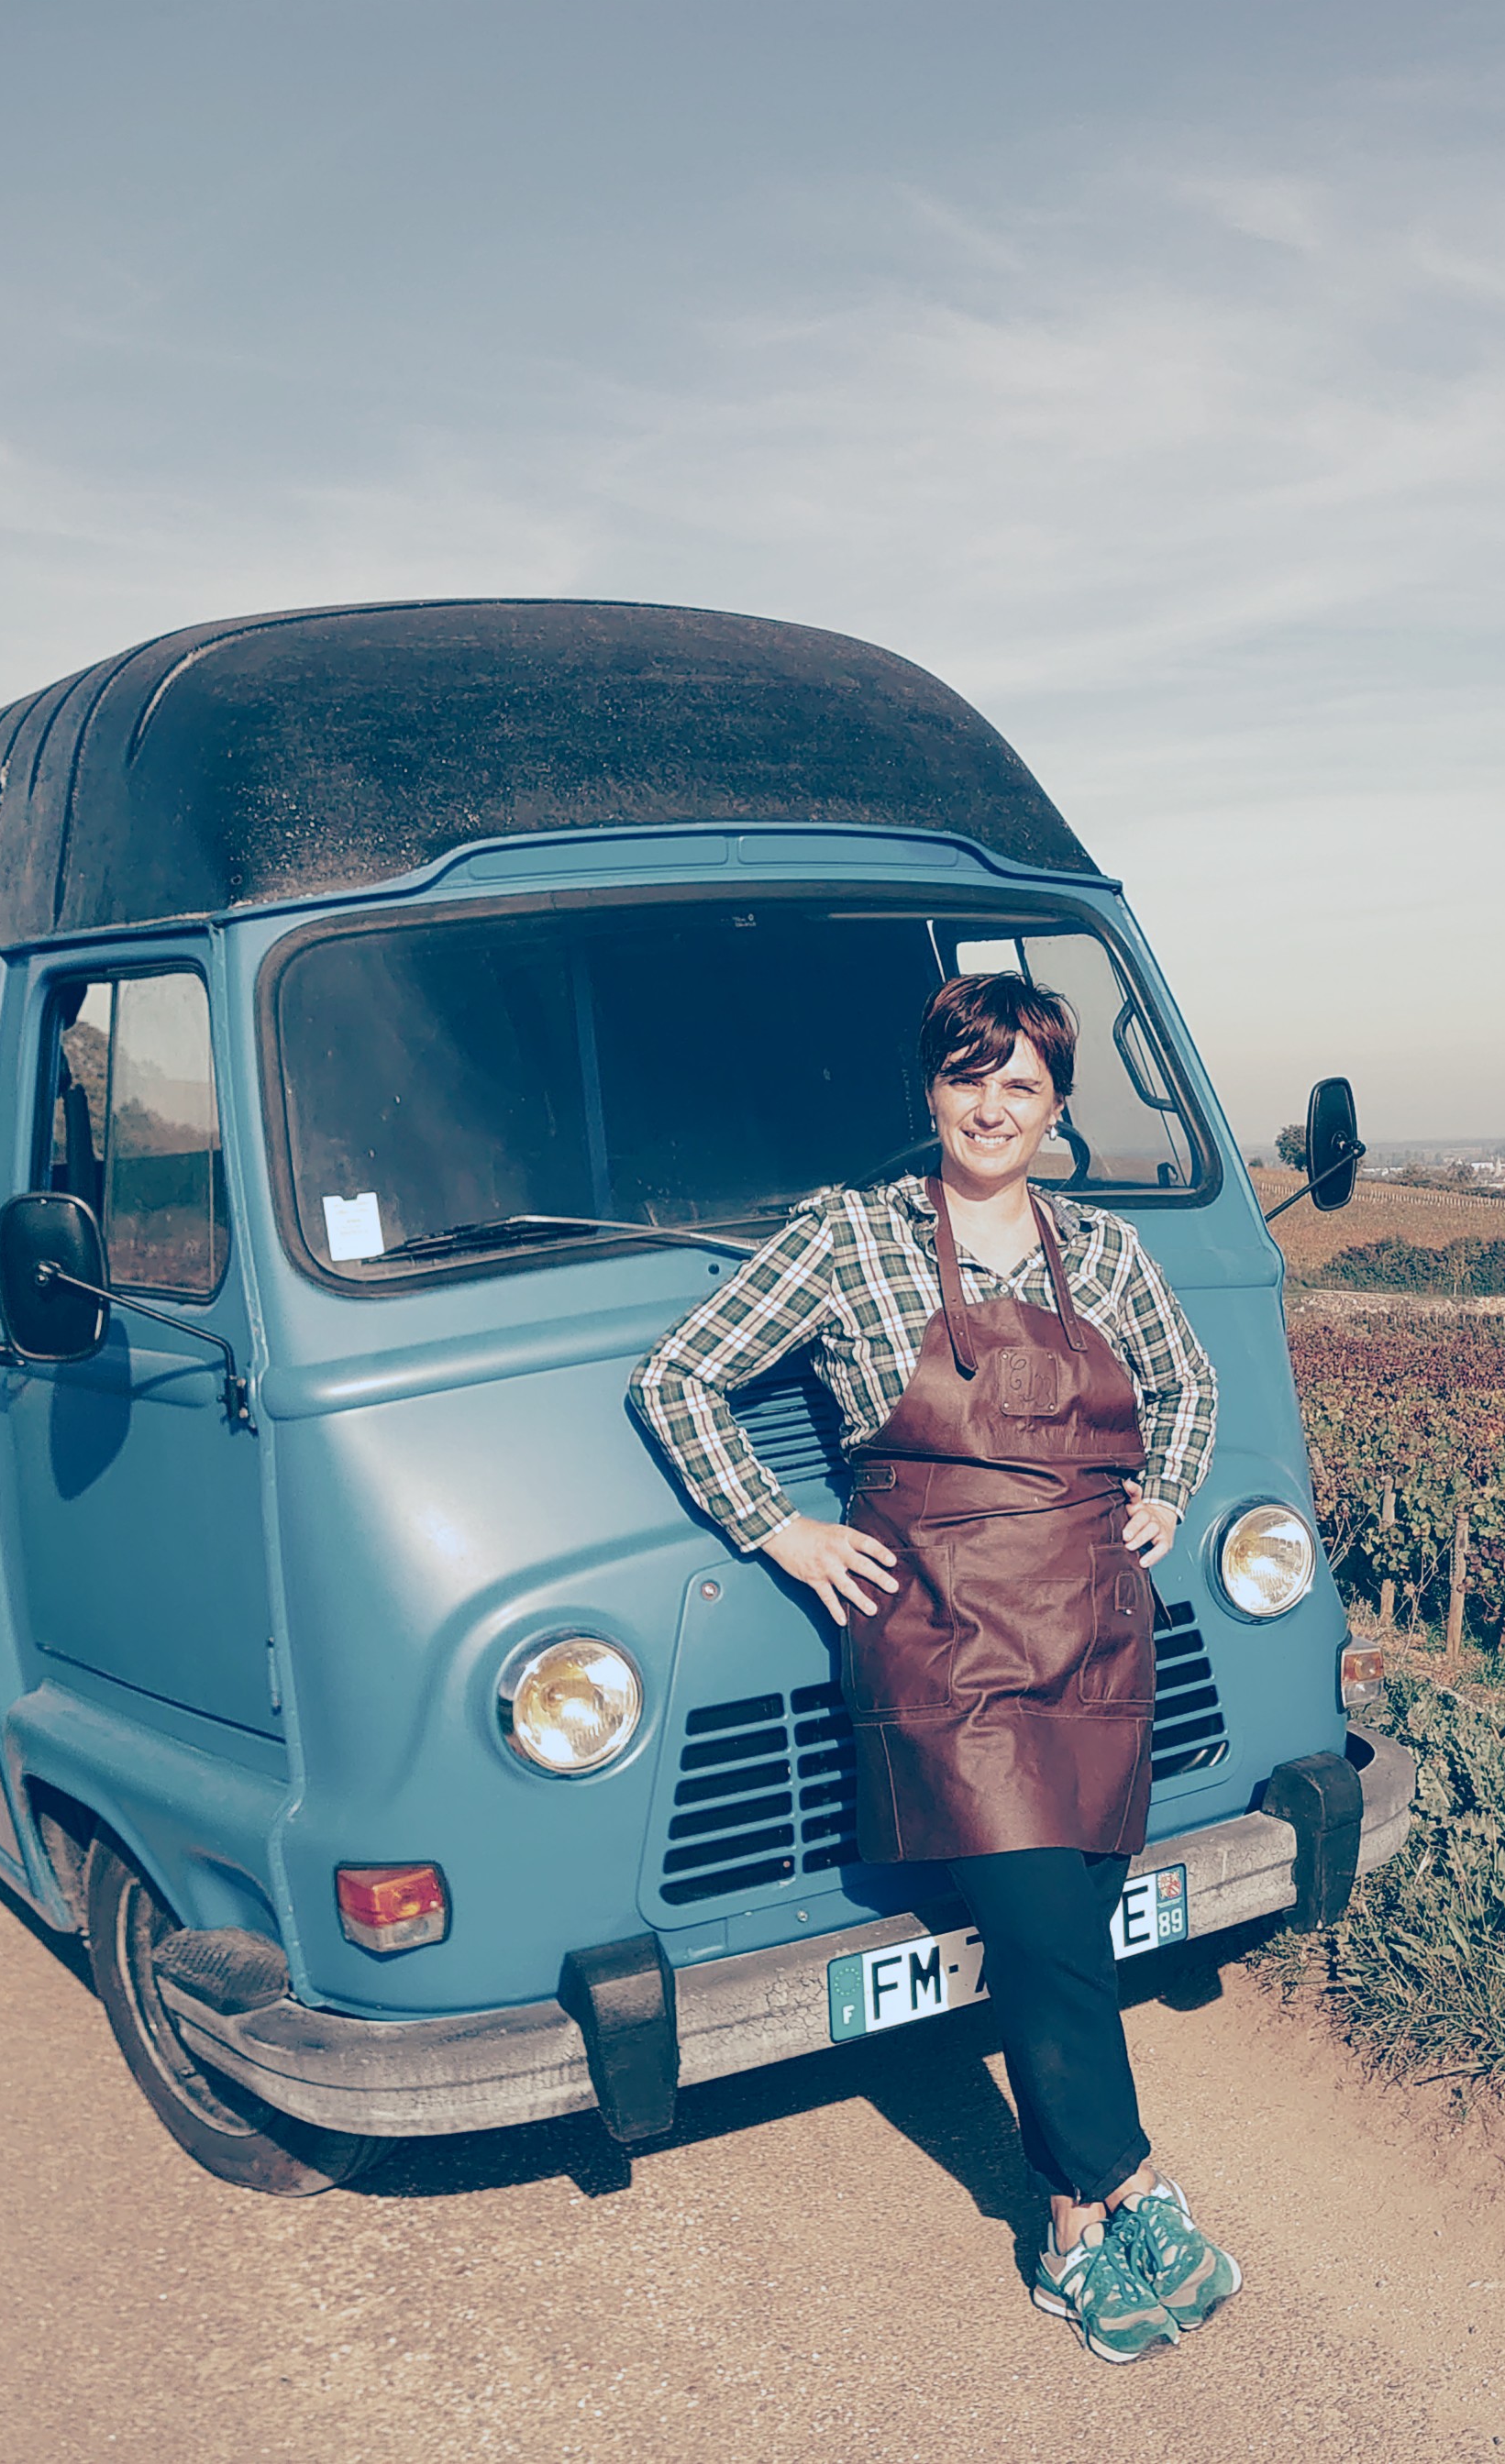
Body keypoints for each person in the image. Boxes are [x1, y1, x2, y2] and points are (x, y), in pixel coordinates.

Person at [631, 972, 1237, 2363]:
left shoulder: (1106, 1251)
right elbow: (678, 1377)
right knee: (1036, 1919)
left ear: (1057, 1108)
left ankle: (1070, 2231)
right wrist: (781, 1528)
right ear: (932, 1090)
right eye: (971, 1077)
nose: (994, 1107)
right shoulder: (848, 1238)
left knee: (1063, 1932)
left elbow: (1189, 1385)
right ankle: (1138, 2181)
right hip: (946, 1644)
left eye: (1022, 1084)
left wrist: (1169, 1490)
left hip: (1095, 1627)